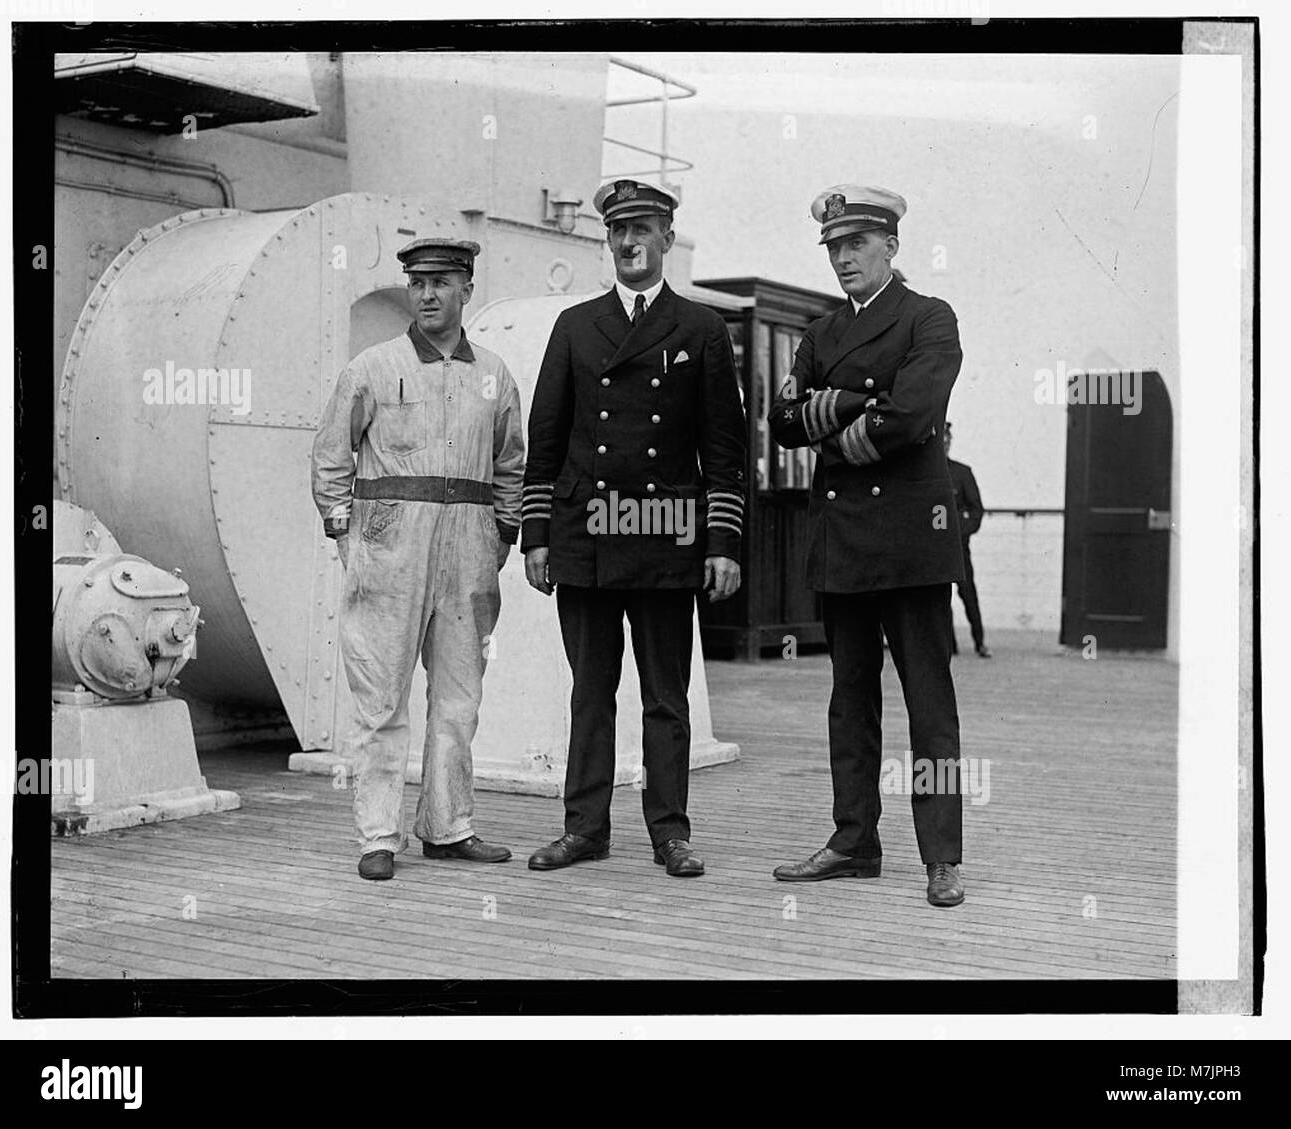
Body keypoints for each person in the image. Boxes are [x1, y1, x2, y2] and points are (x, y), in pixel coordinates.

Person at [521, 177, 747, 878]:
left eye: (643, 230)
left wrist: (723, 543)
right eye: (618, 231)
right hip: (586, 537)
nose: (629, 243)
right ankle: (585, 828)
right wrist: (536, 536)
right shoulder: (575, 326)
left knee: (664, 697)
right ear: (607, 241)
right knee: (590, 692)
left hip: (664, 536)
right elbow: (546, 438)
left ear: (667, 241)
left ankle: (670, 831)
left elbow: (725, 447)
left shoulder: (703, 329)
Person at [767, 185, 967, 907]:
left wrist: (836, 415)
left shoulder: (929, 318)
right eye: (834, 248)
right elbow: (783, 419)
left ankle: (942, 854)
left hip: (913, 544)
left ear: (891, 247)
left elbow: (913, 415)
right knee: (848, 702)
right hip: (843, 541)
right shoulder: (820, 333)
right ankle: (854, 841)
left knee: (929, 706)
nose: (844, 258)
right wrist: (860, 405)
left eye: (857, 245)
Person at [311, 237, 525, 881]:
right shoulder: (372, 367)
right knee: (380, 700)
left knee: (459, 698)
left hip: (469, 551)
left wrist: (502, 534)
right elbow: (331, 457)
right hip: (388, 549)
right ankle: (378, 834)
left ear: (466, 289)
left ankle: (448, 826)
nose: (428, 295)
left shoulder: (494, 372)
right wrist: (347, 536)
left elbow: (511, 460)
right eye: (418, 283)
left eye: (443, 282)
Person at [945, 422, 991, 658]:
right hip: (934, 550)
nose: (944, 444)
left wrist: (963, 530)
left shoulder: (962, 472)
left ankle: (979, 642)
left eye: (947, 439)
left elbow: (976, 509)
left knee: (968, 594)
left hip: (959, 547)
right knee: (940, 600)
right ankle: (949, 645)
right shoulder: (924, 475)